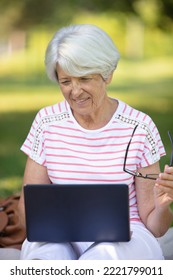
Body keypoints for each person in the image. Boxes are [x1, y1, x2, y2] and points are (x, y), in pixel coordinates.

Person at [18, 24, 173, 260]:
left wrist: (162, 205)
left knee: (104, 257)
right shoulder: (46, 122)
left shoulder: (139, 127)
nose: (76, 91)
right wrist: (41, 222)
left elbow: (156, 226)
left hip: (127, 236)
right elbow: (25, 214)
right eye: (66, 81)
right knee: (45, 258)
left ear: (107, 74)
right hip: (59, 235)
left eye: (84, 79)